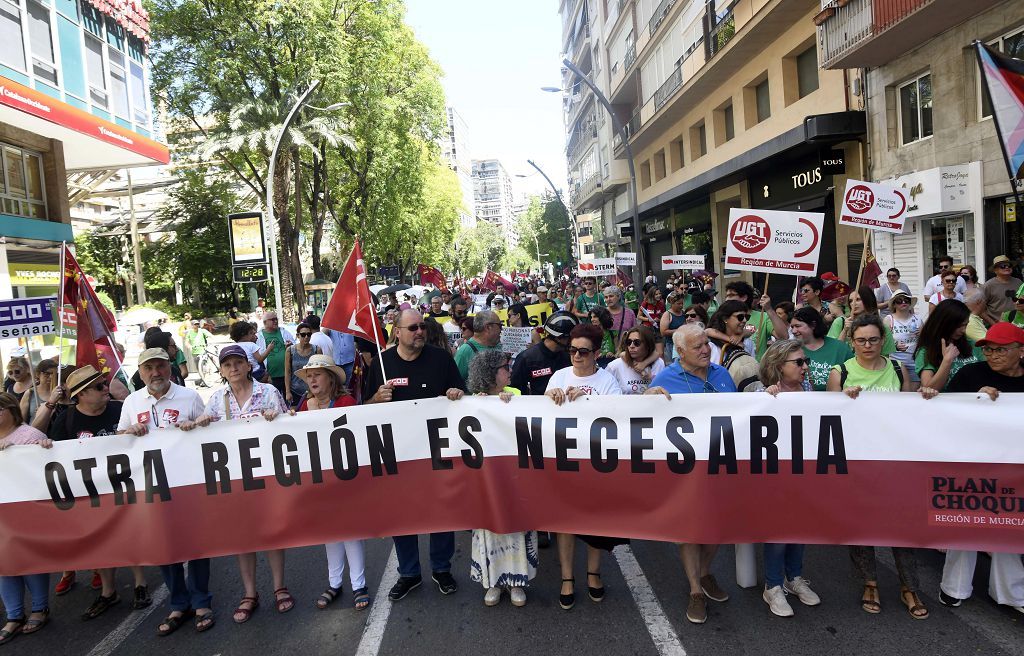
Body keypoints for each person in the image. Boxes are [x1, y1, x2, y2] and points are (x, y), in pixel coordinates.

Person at [826, 314, 933, 620]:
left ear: (883, 339)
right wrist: (841, 400)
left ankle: (909, 586)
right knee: (861, 524)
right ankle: (868, 583)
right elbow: (827, 417)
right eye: (861, 340)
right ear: (852, 341)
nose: (868, 345)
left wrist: (923, 395)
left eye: (874, 339)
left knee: (901, 524)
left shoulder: (898, 368)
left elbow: (909, 411)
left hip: (893, 461)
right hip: (856, 461)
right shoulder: (841, 371)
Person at [182, 344, 294, 624]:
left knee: (272, 531)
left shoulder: (268, 392)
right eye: (227, 365)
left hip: (266, 473)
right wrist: (202, 422)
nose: (233, 369)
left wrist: (276, 418)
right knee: (242, 535)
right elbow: (201, 433)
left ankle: (279, 587)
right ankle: (249, 593)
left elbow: (287, 427)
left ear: (248, 366)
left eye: (237, 363)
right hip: (232, 477)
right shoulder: (217, 399)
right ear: (221, 370)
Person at [365, 310, 466, 601]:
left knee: (442, 511)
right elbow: (364, 407)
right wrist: (376, 399)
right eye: (413, 327)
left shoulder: (441, 359)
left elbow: (461, 393)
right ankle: (409, 573)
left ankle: (441, 568)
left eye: (422, 326)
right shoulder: (382, 364)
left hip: (437, 450)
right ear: (397, 332)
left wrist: (456, 393)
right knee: (402, 514)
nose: (420, 331)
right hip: (397, 454)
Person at [116, 348, 211, 636]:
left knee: (195, 544)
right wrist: (130, 431)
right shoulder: (132, 401)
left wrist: (195, 425)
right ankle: (178, 603)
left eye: (160, 366)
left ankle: (202, 602)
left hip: (187, 483)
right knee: (164, 545)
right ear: (141, 372)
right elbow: (119, 438)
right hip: (151, 487)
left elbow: (210, 430)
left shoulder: (189, 397)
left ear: (170, 368)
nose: (155, 373)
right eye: (149, 368)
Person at [646, 324, 736, 624]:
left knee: (717, 528)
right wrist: (648, 396)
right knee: (689, 531)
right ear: (680, 352)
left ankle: (706, 571)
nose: (705, 350)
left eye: (706, 344)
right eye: (697, 346)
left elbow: (741, 413)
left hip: (720, 467)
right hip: (683, 472)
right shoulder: (666, 378)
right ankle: (696, 590)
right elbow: (643, 415)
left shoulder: (721, 374)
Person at [47, 366, 151, 618]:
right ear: (80, 395)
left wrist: (137, 430)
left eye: (105, 384)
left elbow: (143, 438)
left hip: (124, 485)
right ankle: (108, 591)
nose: (106, 389)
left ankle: (140, 584)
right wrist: (44, 443)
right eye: (99, 387)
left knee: (129, 534)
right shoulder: (67, 420)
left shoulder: (119, 409)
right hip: (90, 490)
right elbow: (51, 452)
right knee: (99, 539)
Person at [940, 323, 1024, 614]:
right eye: (988, 349)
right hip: (971, 463)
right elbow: (943, 412)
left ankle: (1010, 594)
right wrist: (972, 400)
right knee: (965, 523)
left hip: (1014, 467)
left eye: (1001, 349)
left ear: (1021, 351)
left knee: (1011, 526)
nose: (993, 354)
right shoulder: (971, 374)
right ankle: (953, 588)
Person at [545, 323, 623, 611]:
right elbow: (541, 414)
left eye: (583, 351)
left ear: (597, 353)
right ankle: (567, 577)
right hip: (565, 460)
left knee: (594, 520)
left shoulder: (607, 381)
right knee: (564, 521)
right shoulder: (558, 376)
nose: (576, 356)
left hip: (597, 462)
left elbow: (618, 415)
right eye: (572, 350)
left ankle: (593, 573)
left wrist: (588, 400)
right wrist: (549, 398)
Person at [290, 354, 369, 610]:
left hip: (345, 478)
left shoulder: (346, 402)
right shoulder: (304, 405)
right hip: (320, 480)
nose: (312, 379)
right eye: (309, 376)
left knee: (350, 530)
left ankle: (359, 585)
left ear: (331, 378)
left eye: (317, 374)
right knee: (329, 532)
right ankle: (334, 582)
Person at [464, 351, 537, 607]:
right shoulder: (472, 401)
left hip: (514, 476)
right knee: (489, 528)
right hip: (486, 479)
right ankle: (492, 582)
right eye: (504, 367)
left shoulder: (515, 394)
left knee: (516, 526)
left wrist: (508, 403)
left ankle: (517, 582)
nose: (509, 370)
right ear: (490, 373)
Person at [757, 340, 821, 616]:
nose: (805, 367)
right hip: (774, 477)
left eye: (805, 361)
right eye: (799, 362)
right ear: (778, 366)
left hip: (803, 473)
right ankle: (772, 586)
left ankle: (793, 578)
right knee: (778, 531)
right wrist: (765, 399)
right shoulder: (765, 394)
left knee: (800, 527)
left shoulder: (810, 390)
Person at [0, 392, 53, 646]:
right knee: (3, 563)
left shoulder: (30, 436)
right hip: (2, 515)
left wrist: (31, 453)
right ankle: (13, 616)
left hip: (26, 510)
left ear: (12, 410)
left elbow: (47, 466)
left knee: (30, 559)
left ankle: (40, 609)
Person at [915, 299, 983, 391]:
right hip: (947, 403)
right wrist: (946, 361)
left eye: (966, 325)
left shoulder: (972, 345)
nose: (963, 330)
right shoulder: (926, 351)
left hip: (975, 401)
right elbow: (928, 389)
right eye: (959, 326)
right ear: (944, 324)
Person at [510, 312, 578, 396]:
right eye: (571, 338)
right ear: (559, 338)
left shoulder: (571, 356)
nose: (573, 341)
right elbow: (515, 389)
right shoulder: (526, 358)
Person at [788, 307, 853, 391]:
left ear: (813, 325)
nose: (793, 331)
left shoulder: (840, 348)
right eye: (792, 327)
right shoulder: (790, 350)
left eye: (797, 326)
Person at [723, 281, 788, 358]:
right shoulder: (724, 316)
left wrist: (769, 309)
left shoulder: (763, 317)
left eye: (731, 295)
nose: (727, 299)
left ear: (744, 297)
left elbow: (784, 336)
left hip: (756, 367)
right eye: (726, 296)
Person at [706, 303, 761, 391]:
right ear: (725, 319)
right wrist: (729, 339)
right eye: (740, 317)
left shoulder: (747, 342)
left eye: (746, 317)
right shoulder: (710, 345)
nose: (744, 320)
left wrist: (742, 334)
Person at [605, 326, 665, 394]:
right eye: (629, 342)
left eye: (637, 342)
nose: (631, 346)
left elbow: (664, 389)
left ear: (648, 344)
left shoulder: (659, 363)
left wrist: (650, 377)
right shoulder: (614, 366)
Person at [883, 290, 922, 389]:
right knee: (898, 393)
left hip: (914, 362)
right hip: (896, 363)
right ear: (894, 305)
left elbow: (926, 342)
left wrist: (922, 334)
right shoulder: (889, 320)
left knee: (913, 395)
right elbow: (882, 343)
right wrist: (895, 346)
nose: (903, 302)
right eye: (899, 301)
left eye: (906, 300)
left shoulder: (918, 319)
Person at [454, 310, 503, 380]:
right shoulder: (465, 351)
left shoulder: (500, 346)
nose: (501, 330)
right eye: (499, 326)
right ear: (488, 327)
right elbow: (456, 382)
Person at [257, 311, 294, 396]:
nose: (275, 321)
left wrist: (291, 346)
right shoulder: (258, 336)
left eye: (276, 319)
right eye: (272, 320)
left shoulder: (284, 332)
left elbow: (295, 347)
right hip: (270, 377)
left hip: (287, 375)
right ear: (265, 322)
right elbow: (256, 357)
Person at [284, 322, 322, 407]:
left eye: (309, 334)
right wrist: (287, 392)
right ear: (298, 336)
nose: (306, 337)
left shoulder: (317, 350)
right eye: (303, 334)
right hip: (295, 390)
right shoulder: (290, 351)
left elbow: (320, 371)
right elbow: (287, 372)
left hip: (312, 390)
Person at [983, 255, 1023, 325]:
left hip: (1018, 325)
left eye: (1009, 265)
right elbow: (980, 310)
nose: (1007, 267)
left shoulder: (1019, 282)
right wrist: (994, 325)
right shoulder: (988, 285)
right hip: (997, 326)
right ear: (995, 270)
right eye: (1003, 266)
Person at [19, 359, 56, 426]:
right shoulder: (30, 393)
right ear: (38, 374)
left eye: (54, 374)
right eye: (47, 374)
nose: (51, 377)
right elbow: (21, 421)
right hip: (35, 433)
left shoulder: (59, 393)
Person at [184, 320, 214, 387]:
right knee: (198, 368)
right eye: (195, 324)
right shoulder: (189, 333)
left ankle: (207, 379)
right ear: (192, 325)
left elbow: (210, 335)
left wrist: (210, 341)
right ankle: (203, 380)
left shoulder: (202, 331)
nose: (196, 325)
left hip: (203, 350)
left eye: (197, 324)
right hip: (195, 352)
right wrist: (189, 347)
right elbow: (186, 342)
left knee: (205, 366)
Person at [660, 291, 688, 362]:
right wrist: (680, 330)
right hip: (671, 344)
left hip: (684, 343)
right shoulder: (667, 315)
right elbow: (663, 332)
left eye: (682, 303)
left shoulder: (684, 313)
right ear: (672, 303)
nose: (681, 306)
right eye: (678, 304)